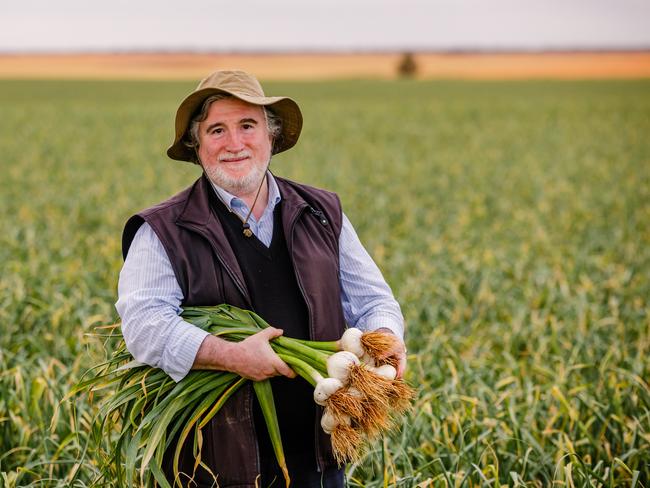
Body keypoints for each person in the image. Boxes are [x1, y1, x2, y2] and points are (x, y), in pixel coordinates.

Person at [116, 69, 405, 488]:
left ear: (271, 136)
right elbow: (144, 326)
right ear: (197, 148)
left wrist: (385, 335)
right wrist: (231, 356)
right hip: (213, 468)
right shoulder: (162, 230)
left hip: (320, 455)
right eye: (217, 130)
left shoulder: (322, 212)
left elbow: (373, 301)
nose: (234, 144)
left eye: (247, 126)